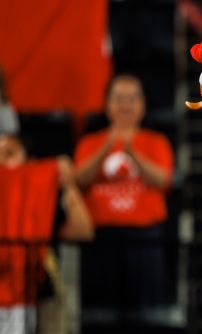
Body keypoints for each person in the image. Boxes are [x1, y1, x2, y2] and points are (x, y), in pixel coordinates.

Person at [74, 74, 174, 316]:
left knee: (145, 313)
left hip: (144, 240)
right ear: (107, 104)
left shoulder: (156, 142)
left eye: (132, 99)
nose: (125, 106)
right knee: (100, 313)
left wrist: (134, 153)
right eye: (119, 99)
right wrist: (106, 148)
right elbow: (79, 179)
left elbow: (163, 180)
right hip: (101, 240)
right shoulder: (89, 143)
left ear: (143, 105)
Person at [0, 134, 93, 334]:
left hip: (43, 296)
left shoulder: (42, 204)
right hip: (4, 302)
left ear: (30, 162)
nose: (2, 162)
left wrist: (68, 186)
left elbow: (83, 231)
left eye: (9, 154)